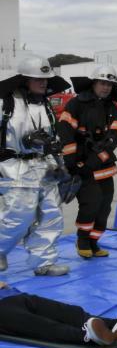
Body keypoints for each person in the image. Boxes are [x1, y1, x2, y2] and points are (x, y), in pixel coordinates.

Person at [0, 55, 72, 276]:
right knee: (18, 217)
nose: (44, 83)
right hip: (17, 168)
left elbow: (51, 139)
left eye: (46, 79)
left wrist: (58, 163)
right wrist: (27, 143)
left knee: (52, 215)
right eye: (37, 79)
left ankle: (44, 262)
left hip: (45, 168)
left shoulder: (45, 105)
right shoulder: (7, 103)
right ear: (24, 80)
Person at [57, 65, 117, 258]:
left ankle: (94, 242)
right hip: (82, 166)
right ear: (94, 83)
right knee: (91, 203)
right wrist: (72, 162)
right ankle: (83, 240)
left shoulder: (112, 107)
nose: (106, 88)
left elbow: (115, 133)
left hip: (103, 166)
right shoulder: (77, 104)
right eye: (103, 83)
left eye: (110, 85)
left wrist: (99, 156)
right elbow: (65, 132)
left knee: (104, 206)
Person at [0, 281, 117, 345]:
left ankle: (113, 324)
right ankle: (87, 337)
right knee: (41, 325)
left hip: (12, 295)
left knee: (69, 312)